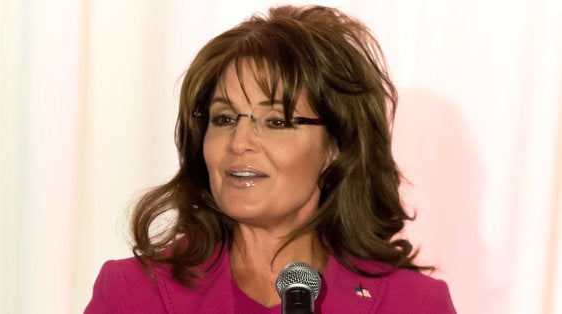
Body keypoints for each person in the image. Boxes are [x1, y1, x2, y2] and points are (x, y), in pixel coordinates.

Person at [85, 4, 456, 313]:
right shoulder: (132, 293)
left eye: (277, 121)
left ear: (336, 146)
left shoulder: (414, 303)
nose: (239, 141)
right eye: (224, 119)